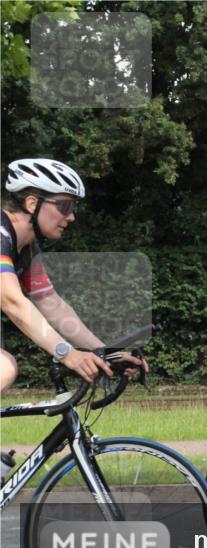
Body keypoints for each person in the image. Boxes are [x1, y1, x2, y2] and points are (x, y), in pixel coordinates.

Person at [1, 158, 147, 392]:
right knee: (3, 368)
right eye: (65, 206)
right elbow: (12, 301)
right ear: (31, 203)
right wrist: (66, 353)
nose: (71, 217)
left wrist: (106, 352)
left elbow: (50, 303)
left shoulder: (26, 248)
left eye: (74, 208)